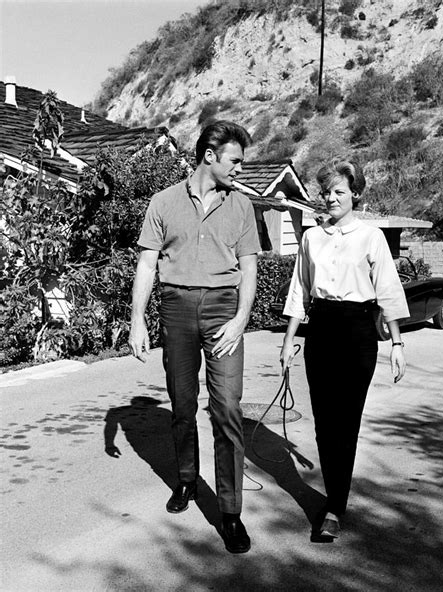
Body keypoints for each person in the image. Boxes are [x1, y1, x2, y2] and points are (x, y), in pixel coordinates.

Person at [129, 120, 260, 554]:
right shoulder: (163, 202)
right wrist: (137, 320)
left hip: (225, 309)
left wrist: (242, 319)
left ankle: (231, 511)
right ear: (210, 155)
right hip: (176, 309)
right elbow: (147, 264)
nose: (240, 168)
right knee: (182, 405)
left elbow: (249, 268)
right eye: (235, 160)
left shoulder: (241, 206)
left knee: (227, 407)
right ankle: (187, 480)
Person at [280, 159, 408, 542]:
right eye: (327, 192)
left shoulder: (371, 237)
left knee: (346, 421)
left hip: (357, 333)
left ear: (356, 194)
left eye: (339, 191)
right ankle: (335, 495)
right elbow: (299, 291)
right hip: (321, 328)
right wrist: (289, 339)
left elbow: (387, 290)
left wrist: (397, 343)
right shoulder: (311, 238)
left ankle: (335, 505)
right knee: (324, 421)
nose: (331, 198)